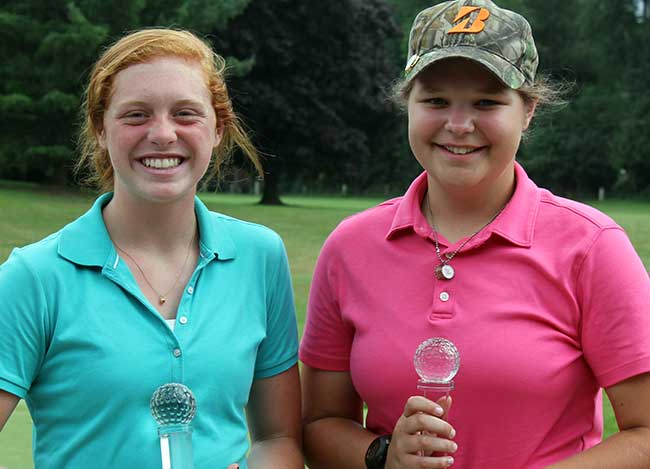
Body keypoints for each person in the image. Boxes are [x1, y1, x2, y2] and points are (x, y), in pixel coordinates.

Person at [300, 1, 650, 468]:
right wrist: (383, 456)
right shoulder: (350, 247)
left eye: (487, 102)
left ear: (527, 110)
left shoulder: (590, 246)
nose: (459, 125)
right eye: (436, 101)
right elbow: (317, 424)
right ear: (408, 104)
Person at [0, 28, 303, 469]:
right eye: (136, 115)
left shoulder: (260, 256)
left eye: (185, 114)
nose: (162, 134)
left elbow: (278, 438)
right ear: (100, 130)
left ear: (218, 129)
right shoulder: (34, 276)